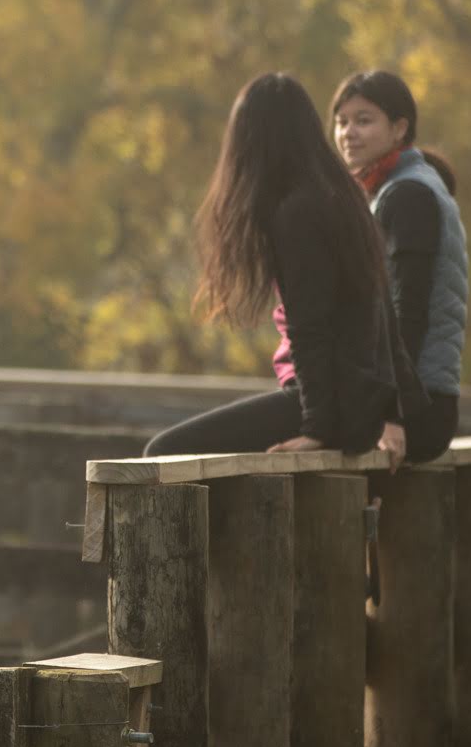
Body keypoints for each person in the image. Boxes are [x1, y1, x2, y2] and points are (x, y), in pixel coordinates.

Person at [140, 72, 416, 463]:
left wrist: (316, 430)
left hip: (336, 409)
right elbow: (384, 315)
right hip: (360, 405)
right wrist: (391, 414)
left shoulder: (297, 213)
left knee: (162, 453)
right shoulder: (343, 198)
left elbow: (310, 328)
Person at [331, 69, 468, 465]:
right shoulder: (391, 190)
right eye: (341, 122)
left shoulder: (408, 196)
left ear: (399, 128)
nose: (348, 133)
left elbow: (410, 311)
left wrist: (393, 415)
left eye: (363, 120)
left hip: (415, 412)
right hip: (406, 405)